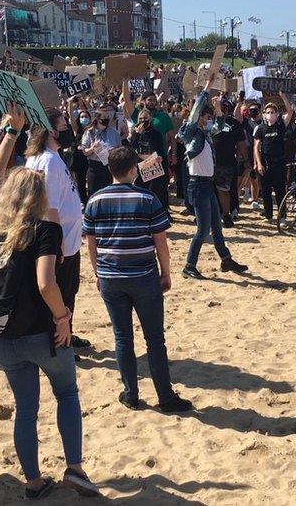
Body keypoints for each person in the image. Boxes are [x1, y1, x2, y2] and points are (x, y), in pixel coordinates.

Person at [0, 103, 99, 499]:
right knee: (66, 394)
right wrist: (63, 318)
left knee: (25, 408)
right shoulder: (44, 226)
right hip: (41, 332)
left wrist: (10, 134)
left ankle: (32, 481)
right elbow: (47, 283)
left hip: (4, 334)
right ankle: (75, 468)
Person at [83, 146, 193, 413]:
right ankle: (165, 396)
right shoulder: (147, 198)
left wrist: (98, 272)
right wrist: (166, 272)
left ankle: (131, 393)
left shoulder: (95, 200)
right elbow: (160, 242)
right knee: (154, 339)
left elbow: (91, 242)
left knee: (122, 338)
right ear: (133, 170)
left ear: (110, 169)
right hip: (143, 275)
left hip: (111, 276)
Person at [24, 109, 90, 350]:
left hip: (65, 239)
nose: (68, 129)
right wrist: (58, 244)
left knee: (68, 291)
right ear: (51, 131)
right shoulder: (49, 160)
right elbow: (49, 207)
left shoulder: (47, 156)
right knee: (63, 293)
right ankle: (62, 341)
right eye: (64, 125)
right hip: (61, 242)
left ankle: (68, 334)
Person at [180, 74, 248, 280]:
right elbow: (194, 112)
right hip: (198, 185)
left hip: (207, 185)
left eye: (208, 117)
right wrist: (208, 86)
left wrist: (218, 108)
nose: (207, 119)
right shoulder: (191, 132)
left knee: (216, 227)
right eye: (204, 116)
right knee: (202, 230)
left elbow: (219, 125)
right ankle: (189, 266)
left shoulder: (206, 134)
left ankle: (226, 259)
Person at [252, 97, 295, 224]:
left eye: (272, 112)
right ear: (264, 114)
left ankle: (282, 216)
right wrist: (259, 163)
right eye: (268, 112)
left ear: (277, 114)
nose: (270, 115)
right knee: (265, 191)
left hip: (279, 163)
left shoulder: (280, 126)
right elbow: (256, 147)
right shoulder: (261, 129)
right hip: (265, 163)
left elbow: (290, 112)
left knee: (280, 191)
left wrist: (283, 96)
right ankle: (269, 215)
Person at [211, 97, 244, 227]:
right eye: (220, 107)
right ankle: (210, 215)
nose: (223, 110)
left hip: (227, 162)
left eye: (225, 108)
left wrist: (244, 159)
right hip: (209, 163)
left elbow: (241, 143)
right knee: (208, 190)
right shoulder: (209, 122)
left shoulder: (235, 124)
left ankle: (226, 214)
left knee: (224, 190)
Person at [127, 108, 170, 210]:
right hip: (140, 164)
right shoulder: (135, 132)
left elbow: (160, 148)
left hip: (153, 163)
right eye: (141, 118)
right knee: (140, 188)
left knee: (156, 189)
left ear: (150, 119)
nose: (143, 120)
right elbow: (131, 148)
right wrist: (137, 134)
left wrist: (158, 157)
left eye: (145, 118)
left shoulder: (156, 133)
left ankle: (159, 211)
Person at [79, 109, 122, 198]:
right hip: (95, 168)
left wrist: (113, 152)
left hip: (109, 167)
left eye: (108, 117)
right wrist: (92, 148)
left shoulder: (114, 133)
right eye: (104, 117)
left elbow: (120, 149)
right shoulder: (89, 132)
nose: (107, 119)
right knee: (94, 195)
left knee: (109, 195)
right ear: (97, 119)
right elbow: (85, 152)